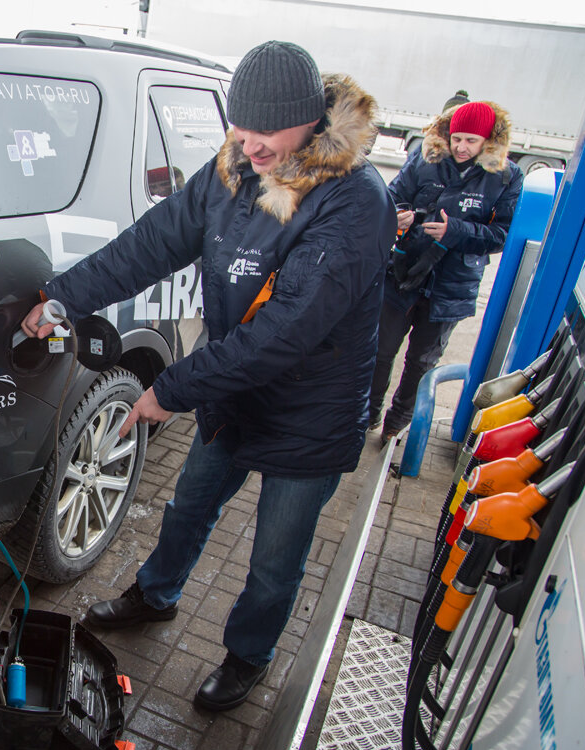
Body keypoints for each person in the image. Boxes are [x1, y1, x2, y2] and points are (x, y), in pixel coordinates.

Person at [21, 41, 394, 712]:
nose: (251, 147)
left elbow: (286, 330)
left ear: (310, 120)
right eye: (241, 129)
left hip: (312, 410)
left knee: (275, 556)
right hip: (235, 391)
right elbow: (152, 243)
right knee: (189, 503)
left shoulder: (354, 200)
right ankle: (156, 595)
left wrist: (173, 388)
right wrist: (65, 296)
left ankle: (248, 654)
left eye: (267, 132)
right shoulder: (231, 171)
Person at [369, 100, 523, 442]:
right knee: (379, 350)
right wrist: (399, 215)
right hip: (405, 273)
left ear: (487, 141)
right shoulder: (426, 159)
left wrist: (457, 232)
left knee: (422, 362)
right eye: (456, 138)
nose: (461, 147)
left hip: (452, 285)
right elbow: (391, 198)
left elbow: (502, 236)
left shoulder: (506, 177)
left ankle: (398, 422)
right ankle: (367, 415)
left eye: (470, 140)